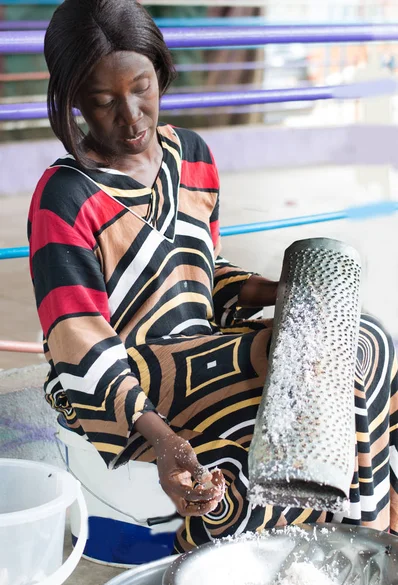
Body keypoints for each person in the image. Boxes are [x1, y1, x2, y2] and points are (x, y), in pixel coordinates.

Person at [28, 0, 398, 553]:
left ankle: (364, 535)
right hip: (116, 377)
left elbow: (200, 274)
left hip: (199, 348)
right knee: (260, 414)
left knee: (363, 342)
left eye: (142, 87)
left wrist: (282, 295)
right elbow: (77, 339)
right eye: (103, 102)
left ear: (161, 71)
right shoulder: (65, 197)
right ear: (74, 98)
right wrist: (162, 436)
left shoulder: (191, 156)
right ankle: (282, 557)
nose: (131, 116)